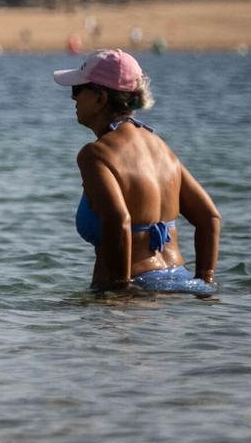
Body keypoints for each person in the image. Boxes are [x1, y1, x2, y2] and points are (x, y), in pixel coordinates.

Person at [56, 49, 220, 295]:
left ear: (100, 98)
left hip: (138, 289)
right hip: (182, 279)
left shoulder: (96, 154)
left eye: (78, 90)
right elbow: (209, 218)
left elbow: (119, 221)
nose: (72, 98)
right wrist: (204, 284)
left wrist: (121, 292)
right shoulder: (160, 147)